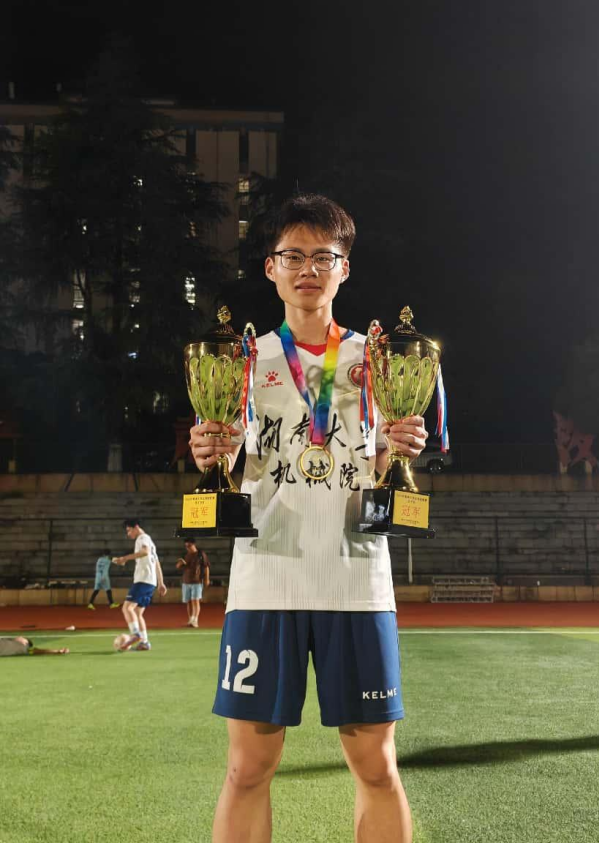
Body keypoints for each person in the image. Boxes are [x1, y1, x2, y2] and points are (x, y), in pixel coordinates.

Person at [189, 194, 429, 844]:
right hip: (266, 579)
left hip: (356, 581)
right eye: (293, 256)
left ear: (344, 269)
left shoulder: (380, 360)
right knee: (246, 769)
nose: (308, 270)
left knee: (376, 766)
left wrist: (398, 449)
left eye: (323, 257)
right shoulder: (241, 360)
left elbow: (380, 467)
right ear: (270, 267)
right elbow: (233, 466)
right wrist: (211, 452)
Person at [112, 519, 167, 652]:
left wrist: (124, 558)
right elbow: (156, 563)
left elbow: (145, 552)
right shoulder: (150, 541)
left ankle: (135, 634)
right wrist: (161, 582)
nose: (128, 534)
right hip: (151, 582)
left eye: (129, 530)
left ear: (136, 527)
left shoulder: (142, 538)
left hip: (143, 580)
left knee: (127, 608)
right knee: (137, 612)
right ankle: (145, 642)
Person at [176, 538, 210, 628]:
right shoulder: (185, 555)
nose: (188, 548)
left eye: (189, 546)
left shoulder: (200, 554)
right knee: (188, 601)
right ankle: (190, 619)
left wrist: (207, 579)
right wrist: (180, 563)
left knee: (195, 600)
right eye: (186, 546)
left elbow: (206, 567)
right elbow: (178, 566)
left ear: (194, 544)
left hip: (196, 581)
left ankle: (195, 620)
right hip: (186, 581)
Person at [0, 636, 69, 656]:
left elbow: (41, 651)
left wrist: (57, 651)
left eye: (23, 637)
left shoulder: (27, 650)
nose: (19, 637)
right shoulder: (10, 641)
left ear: (26, 642)